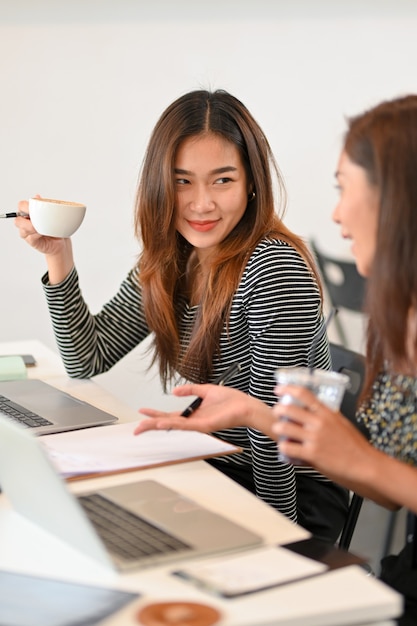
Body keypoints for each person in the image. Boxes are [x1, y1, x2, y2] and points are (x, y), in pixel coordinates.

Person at [14, 89, 348, 541]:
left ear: (252, 182)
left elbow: (273, 432)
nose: (201, 204)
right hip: (217, 465)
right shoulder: (174, 257)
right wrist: (59, 255)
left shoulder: (274, 266)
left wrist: (278, 543)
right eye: (182, 181)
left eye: (222, 180)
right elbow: (86, 359)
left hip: (290, 495)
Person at [134, 94, 417, 625]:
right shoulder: (398, 323)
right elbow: (391, 483)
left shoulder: (276, 264)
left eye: (345, 188)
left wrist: (347, 464)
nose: (335, 212)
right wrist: (256, 414)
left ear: (399, 199)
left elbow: (380, 475)